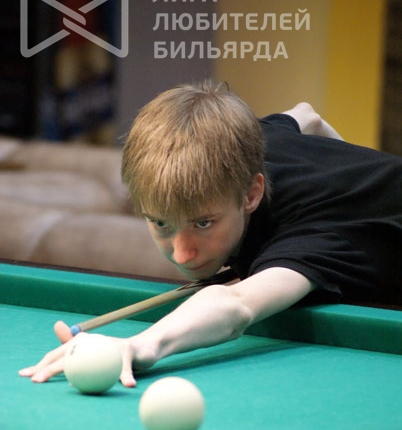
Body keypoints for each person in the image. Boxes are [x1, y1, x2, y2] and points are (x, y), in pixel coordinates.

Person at [19, 81, 402, 387]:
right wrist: (349, 171)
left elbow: (236, 306)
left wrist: (140, 344)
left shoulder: (312, 239)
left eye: (203, 223)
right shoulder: (243, 143)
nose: (182, 254)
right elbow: (307, 116)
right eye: (161, 223)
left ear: (251, 194)